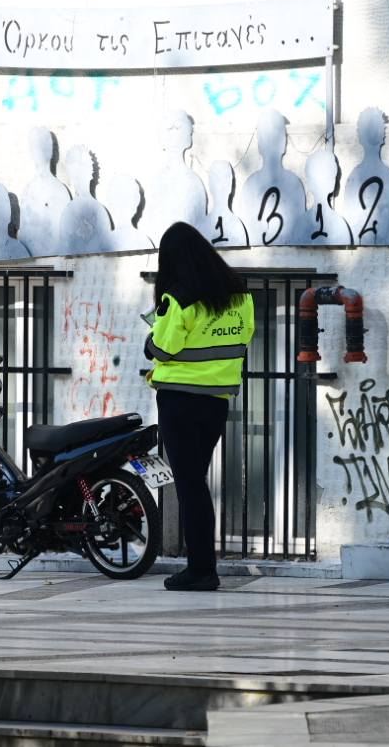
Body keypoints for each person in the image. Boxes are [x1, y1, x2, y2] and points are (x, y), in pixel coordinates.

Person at [145, 221, 255, 591]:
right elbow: (243, 337)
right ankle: (202, 567)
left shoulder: (178, 298)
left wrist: (150, 339)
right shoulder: (239, 296)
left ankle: (202, 569)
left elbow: (163, 348)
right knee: (196, 483)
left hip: (179, 401)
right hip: (216, 402)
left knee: (190, 486)